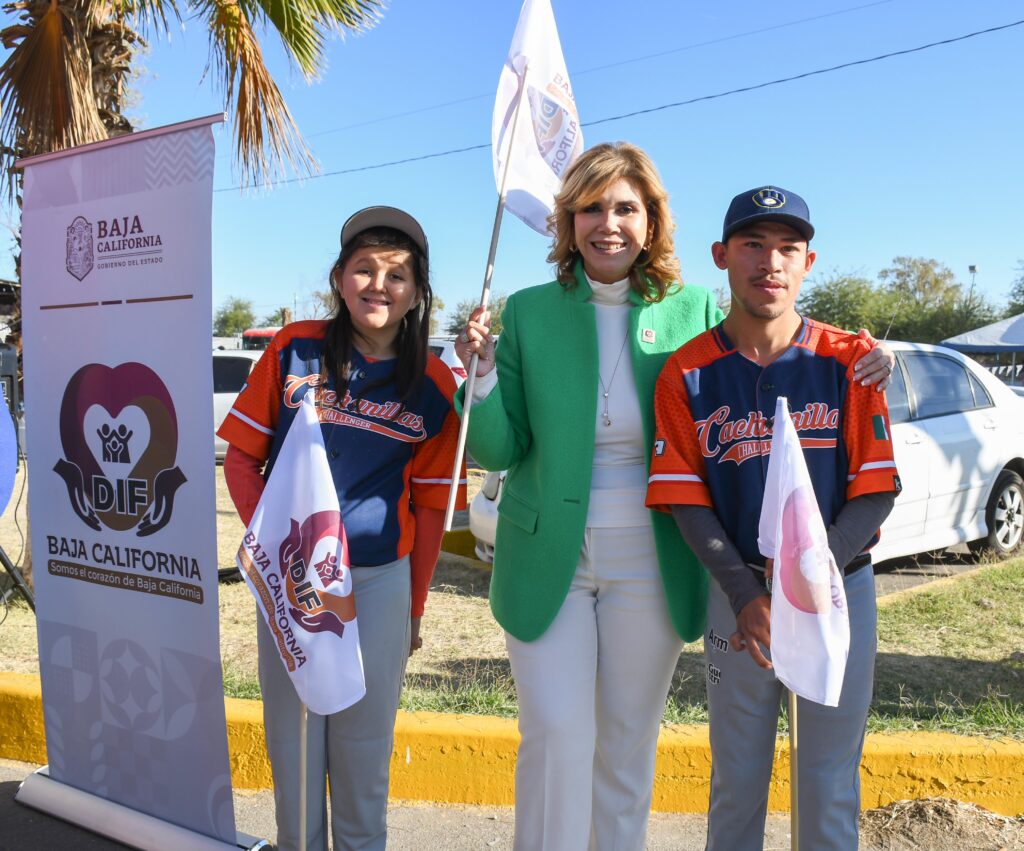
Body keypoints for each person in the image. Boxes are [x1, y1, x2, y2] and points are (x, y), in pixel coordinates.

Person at [454, 146, 893, 851]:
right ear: (568, 220)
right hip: (546, 556)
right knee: (558, 733)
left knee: (628, 745)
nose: (608, 223)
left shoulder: (691, 309)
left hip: (655, 558)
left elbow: (769, 351)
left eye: (626, 207)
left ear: (652, 220)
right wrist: (476, 378)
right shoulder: (527, 312)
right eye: (591, 207)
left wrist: (875, 356)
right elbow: (498, 449)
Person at [646, 185, 901, 851]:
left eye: (788, 247)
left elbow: (876, 488)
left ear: (808, 262)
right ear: (721, 256)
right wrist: (747, 592)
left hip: (840, 588)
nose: (771, 261)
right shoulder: (687, 372)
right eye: (753, 244)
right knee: (737, 781)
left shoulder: (850, 359)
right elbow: (684, 496)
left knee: (828, 781)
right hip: (738, 595)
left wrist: (808, 578)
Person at [218, 206, 466, 851]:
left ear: (417, 292)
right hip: (294, 581)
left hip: (379, 584)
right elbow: (243, 459)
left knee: (363, 751)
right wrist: (275, 550)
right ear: (338, 278)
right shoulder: (294, 348)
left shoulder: (435, 383)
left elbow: (434, 508)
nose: (378, 285)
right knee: (295, 747)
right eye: (364, 269)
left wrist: (413, 608)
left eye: (397, 274)